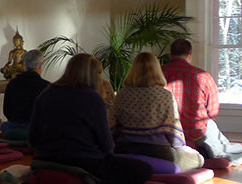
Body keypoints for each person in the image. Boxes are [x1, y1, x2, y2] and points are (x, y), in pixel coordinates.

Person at [28, 53, 153, 184]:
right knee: (143, 169)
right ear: (93, 75)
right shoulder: (93, 98)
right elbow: (106, 145)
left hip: (44, 159)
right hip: (85, 162)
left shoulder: (46, 94)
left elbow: (32, 139)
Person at [111, 52, 203, 171]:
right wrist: (182, 148)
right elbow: (173, 131)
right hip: (158, 151)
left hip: (124, 147)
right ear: (157, 69)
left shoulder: (121, 94)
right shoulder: (165, 95)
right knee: (198, 159)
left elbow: (112, 125)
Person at [162, 39, 242, 164]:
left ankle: (216, 149)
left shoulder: (157, 74)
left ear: (170, 55)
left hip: (165, 131)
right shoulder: (202, 76)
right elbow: (213, 111)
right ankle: (223, 151)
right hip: (195, 132)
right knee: (212, 127)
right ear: (190, 54)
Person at [2, 49, 49, 136]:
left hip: (13, 128)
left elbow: (6, 111)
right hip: (36, 130)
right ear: (40, 66)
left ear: (24, 65)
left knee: (4, 126)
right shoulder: (46, 86)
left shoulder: (12, 84)